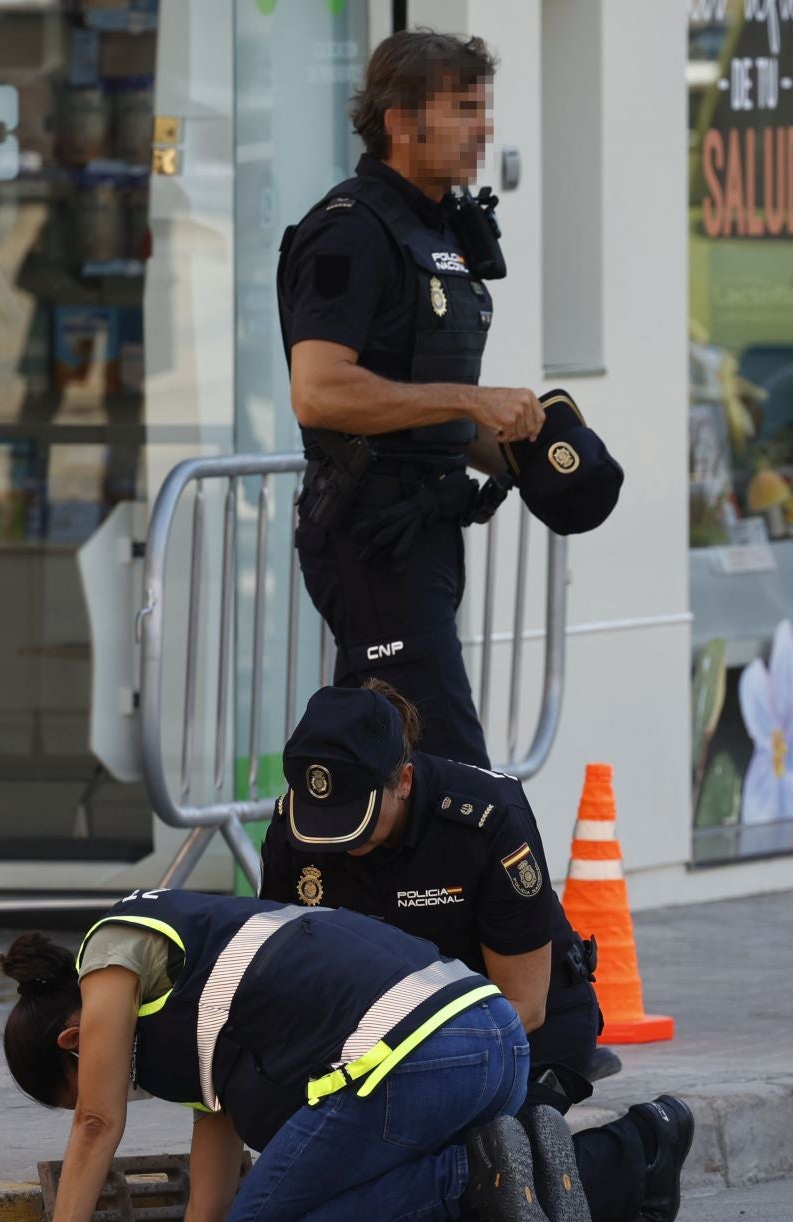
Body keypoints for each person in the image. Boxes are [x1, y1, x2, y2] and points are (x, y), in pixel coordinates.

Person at [0, 889, 595, 1222]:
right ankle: (513, 1163)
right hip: (497, 1043)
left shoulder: (112, 952)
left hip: (421, 1057)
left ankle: (468, 1173)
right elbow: (211, 1195)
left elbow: (95, 1121)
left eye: (77, 1082)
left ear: (73, 1043)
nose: (120, 1087)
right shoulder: (200, 1013)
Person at [259, 682, 694, 1222]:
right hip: (381, 1047)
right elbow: (284, 975)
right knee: (362, 1219)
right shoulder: (298, 826)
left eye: (358, 820)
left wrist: (408, 1085)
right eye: (324, 818)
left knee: (429, 1210)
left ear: (404, 780)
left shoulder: (485, 818)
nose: (339, 842)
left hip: (514, 1034)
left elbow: (524, 1006)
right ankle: (576, 1173)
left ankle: (639, 1148)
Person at [277, 29, 544, 769]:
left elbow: (429, 410)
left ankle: (325, 883)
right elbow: (319, 391)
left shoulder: (437, 232)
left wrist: (531, 450)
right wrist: (473, 398)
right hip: (370, 536)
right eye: (462, 107)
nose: (483, 127)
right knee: (453, 771)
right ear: (400, 122)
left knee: (382, 764)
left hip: (423, 531)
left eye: (482, 107)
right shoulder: (350, 232)